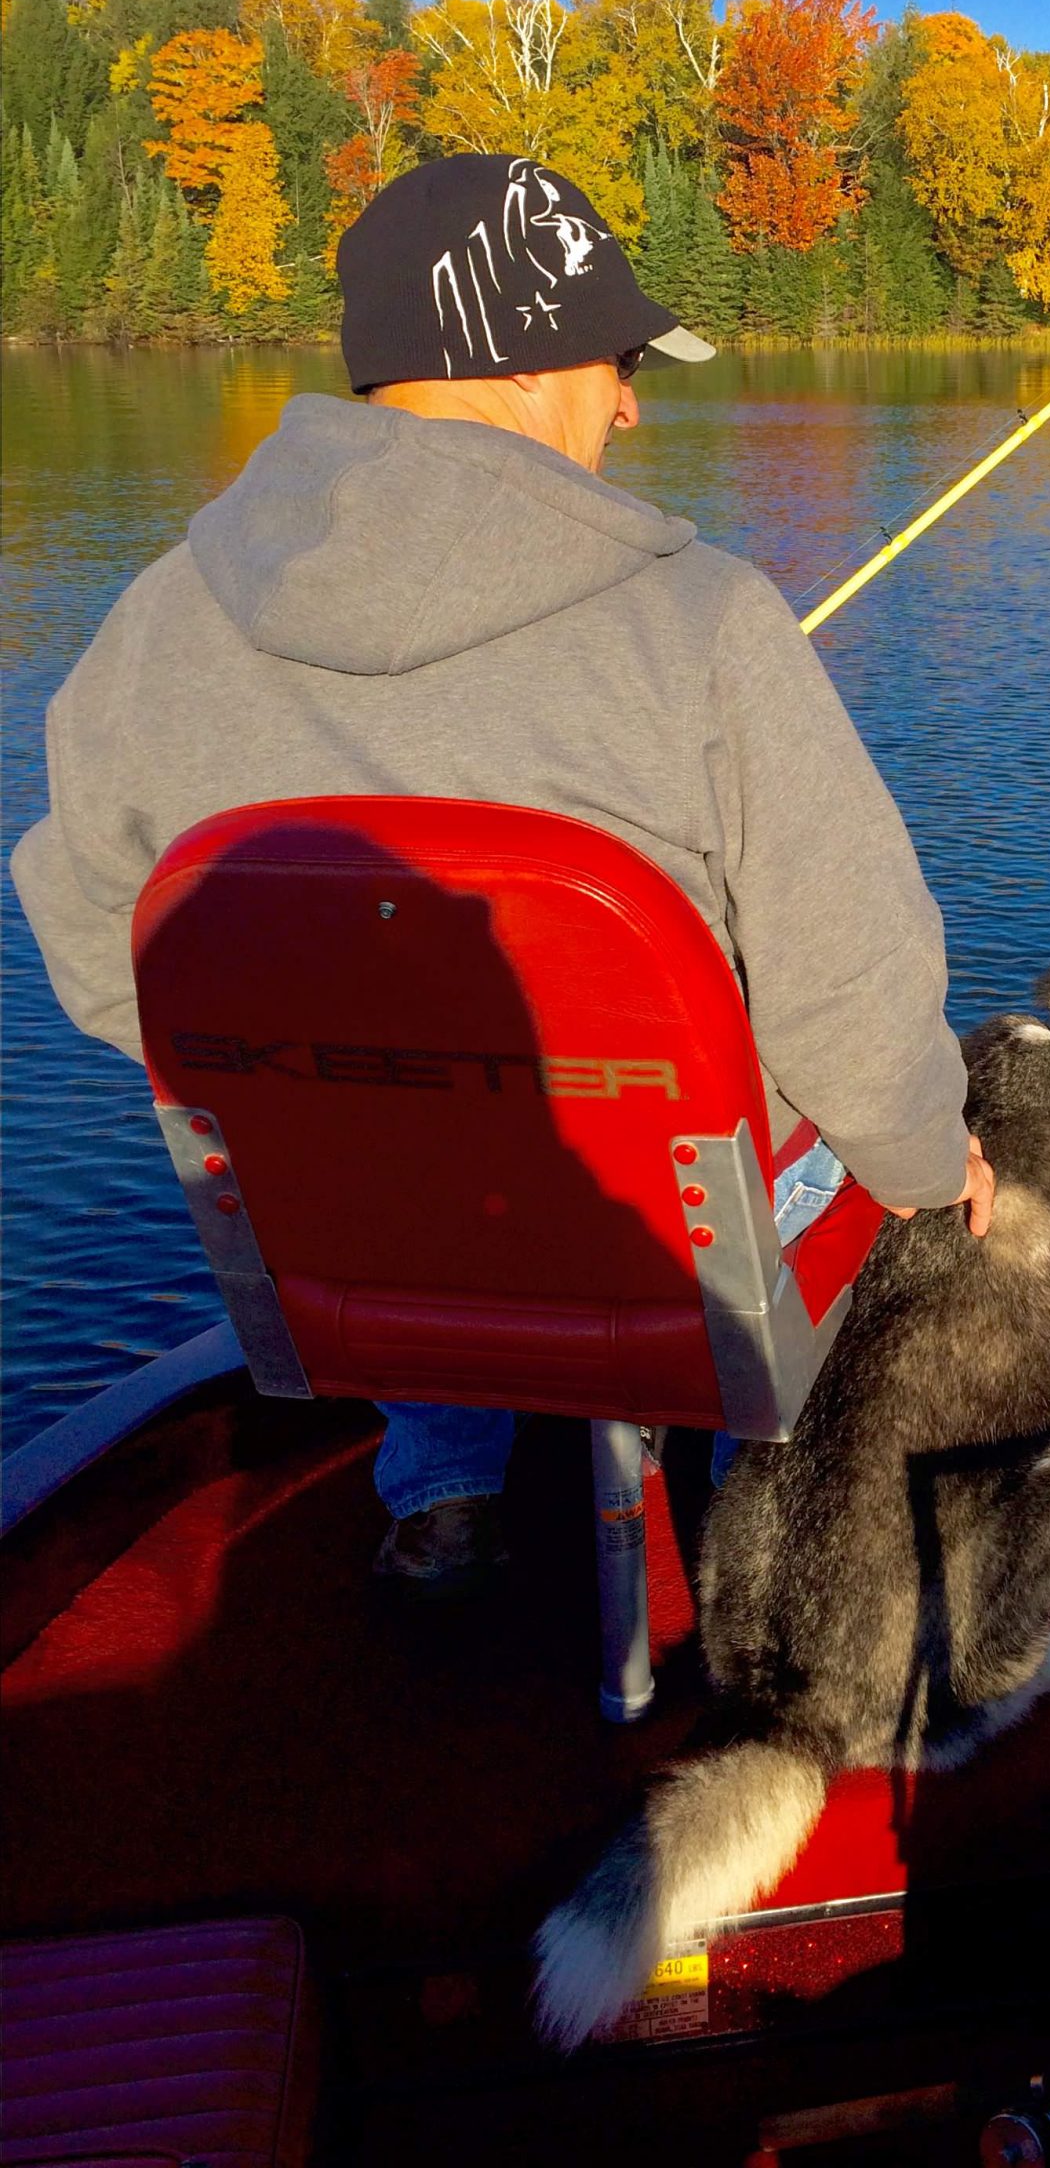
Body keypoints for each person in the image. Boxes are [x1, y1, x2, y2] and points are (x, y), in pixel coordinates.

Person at [11, 151, 993, 1584]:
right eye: (618, 363)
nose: (635, 402)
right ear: (529, 361)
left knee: (392, 1123)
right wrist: (926, 1154)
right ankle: (755, 1524)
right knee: (922, 1162)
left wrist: (315, 1060)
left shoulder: (158, 619)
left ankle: (448, 1482)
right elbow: (847, 979)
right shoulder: (709, 621)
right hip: (671, 1253)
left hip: (354, 1247)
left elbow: (103, 953)